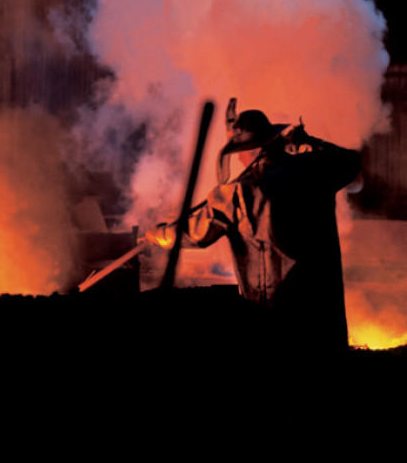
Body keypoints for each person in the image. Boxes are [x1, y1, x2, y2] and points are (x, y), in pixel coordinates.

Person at [144, 106, 361, 353]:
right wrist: (308, 142)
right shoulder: (317, 168)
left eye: (241, 152)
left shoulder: (237, 192)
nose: (239, 159)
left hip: (275, 315)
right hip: (321, 314)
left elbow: (194, 234)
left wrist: (158, 234)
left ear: (254, 150)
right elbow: (350, 160)